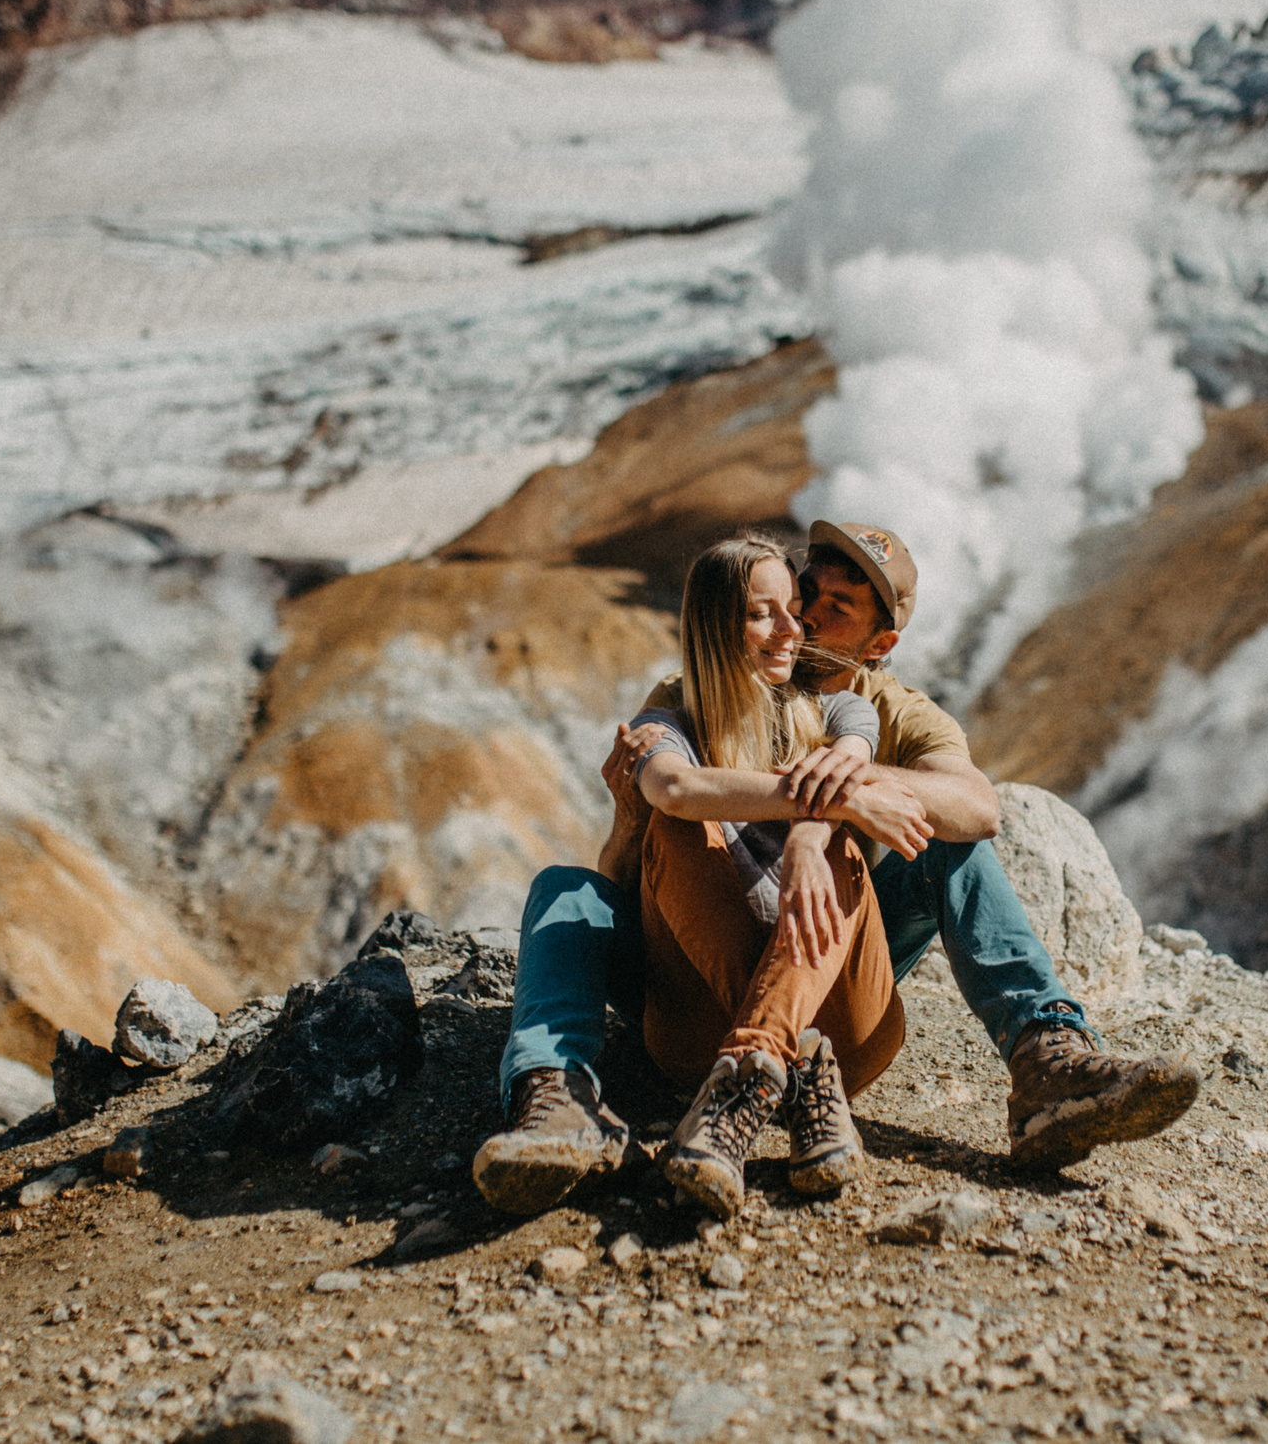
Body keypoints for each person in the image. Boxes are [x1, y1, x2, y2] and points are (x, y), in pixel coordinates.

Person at [474, 520, 1202, 1217]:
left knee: (938, 841)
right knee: (569, 887)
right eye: (804, 594)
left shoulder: (877, 710)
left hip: (828, 948)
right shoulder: (687, 696)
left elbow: (977, 808)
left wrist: (839, 804)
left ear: (880, 644)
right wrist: (657, 819)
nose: (806, 619)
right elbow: (643, 852)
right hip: (700, 960)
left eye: (836, 607)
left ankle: (1047, 1057)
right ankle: (560, 1094)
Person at [623, 534, 916, 1218]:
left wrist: (816, 831)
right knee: (674, 826)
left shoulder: (841, 709)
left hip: (846, 1024)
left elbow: (848, 761)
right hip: (697, 1033)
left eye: (793, 608)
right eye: (762, 614)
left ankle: (750, 1072)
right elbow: (675, 789)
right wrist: (835, 802)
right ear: (713, 627)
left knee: (840, 849)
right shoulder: (666, 725)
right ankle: (793, 1062)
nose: (794, 627)